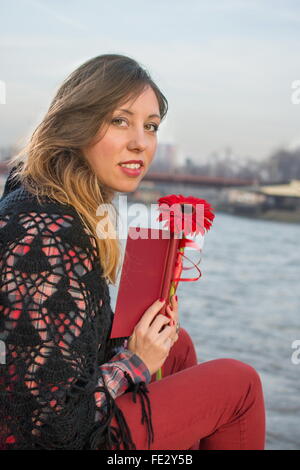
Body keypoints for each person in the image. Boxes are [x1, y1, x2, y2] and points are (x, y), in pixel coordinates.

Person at [0, 54, 266, 450]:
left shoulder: (49, 197)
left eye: (151, 126)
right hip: (50, 439)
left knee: (176, 345)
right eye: (120, 120)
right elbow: (51, 428)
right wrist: (133, 363)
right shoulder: (48, 229)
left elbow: (57, 347)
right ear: (76, 123)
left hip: (54, 418)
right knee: (239, 383)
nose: (141, 142)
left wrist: (144, 333)